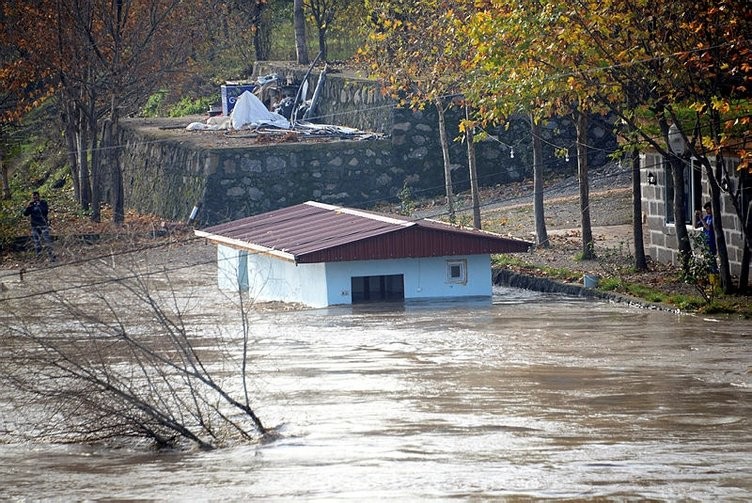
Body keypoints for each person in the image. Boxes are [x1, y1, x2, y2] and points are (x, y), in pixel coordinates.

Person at [23, 191, 55, 261]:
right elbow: (25, 214)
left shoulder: (43, 203)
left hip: (43, 225)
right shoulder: (31, 205)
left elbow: (45, 211)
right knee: (37, 242)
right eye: (33, 197)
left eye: (36, 197)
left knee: (47, 241)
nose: (35, 198)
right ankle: (39, 257)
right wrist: (28, 207)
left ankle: (51, 256)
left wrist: (38, 205)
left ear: (39, 197)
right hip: (35, 226)